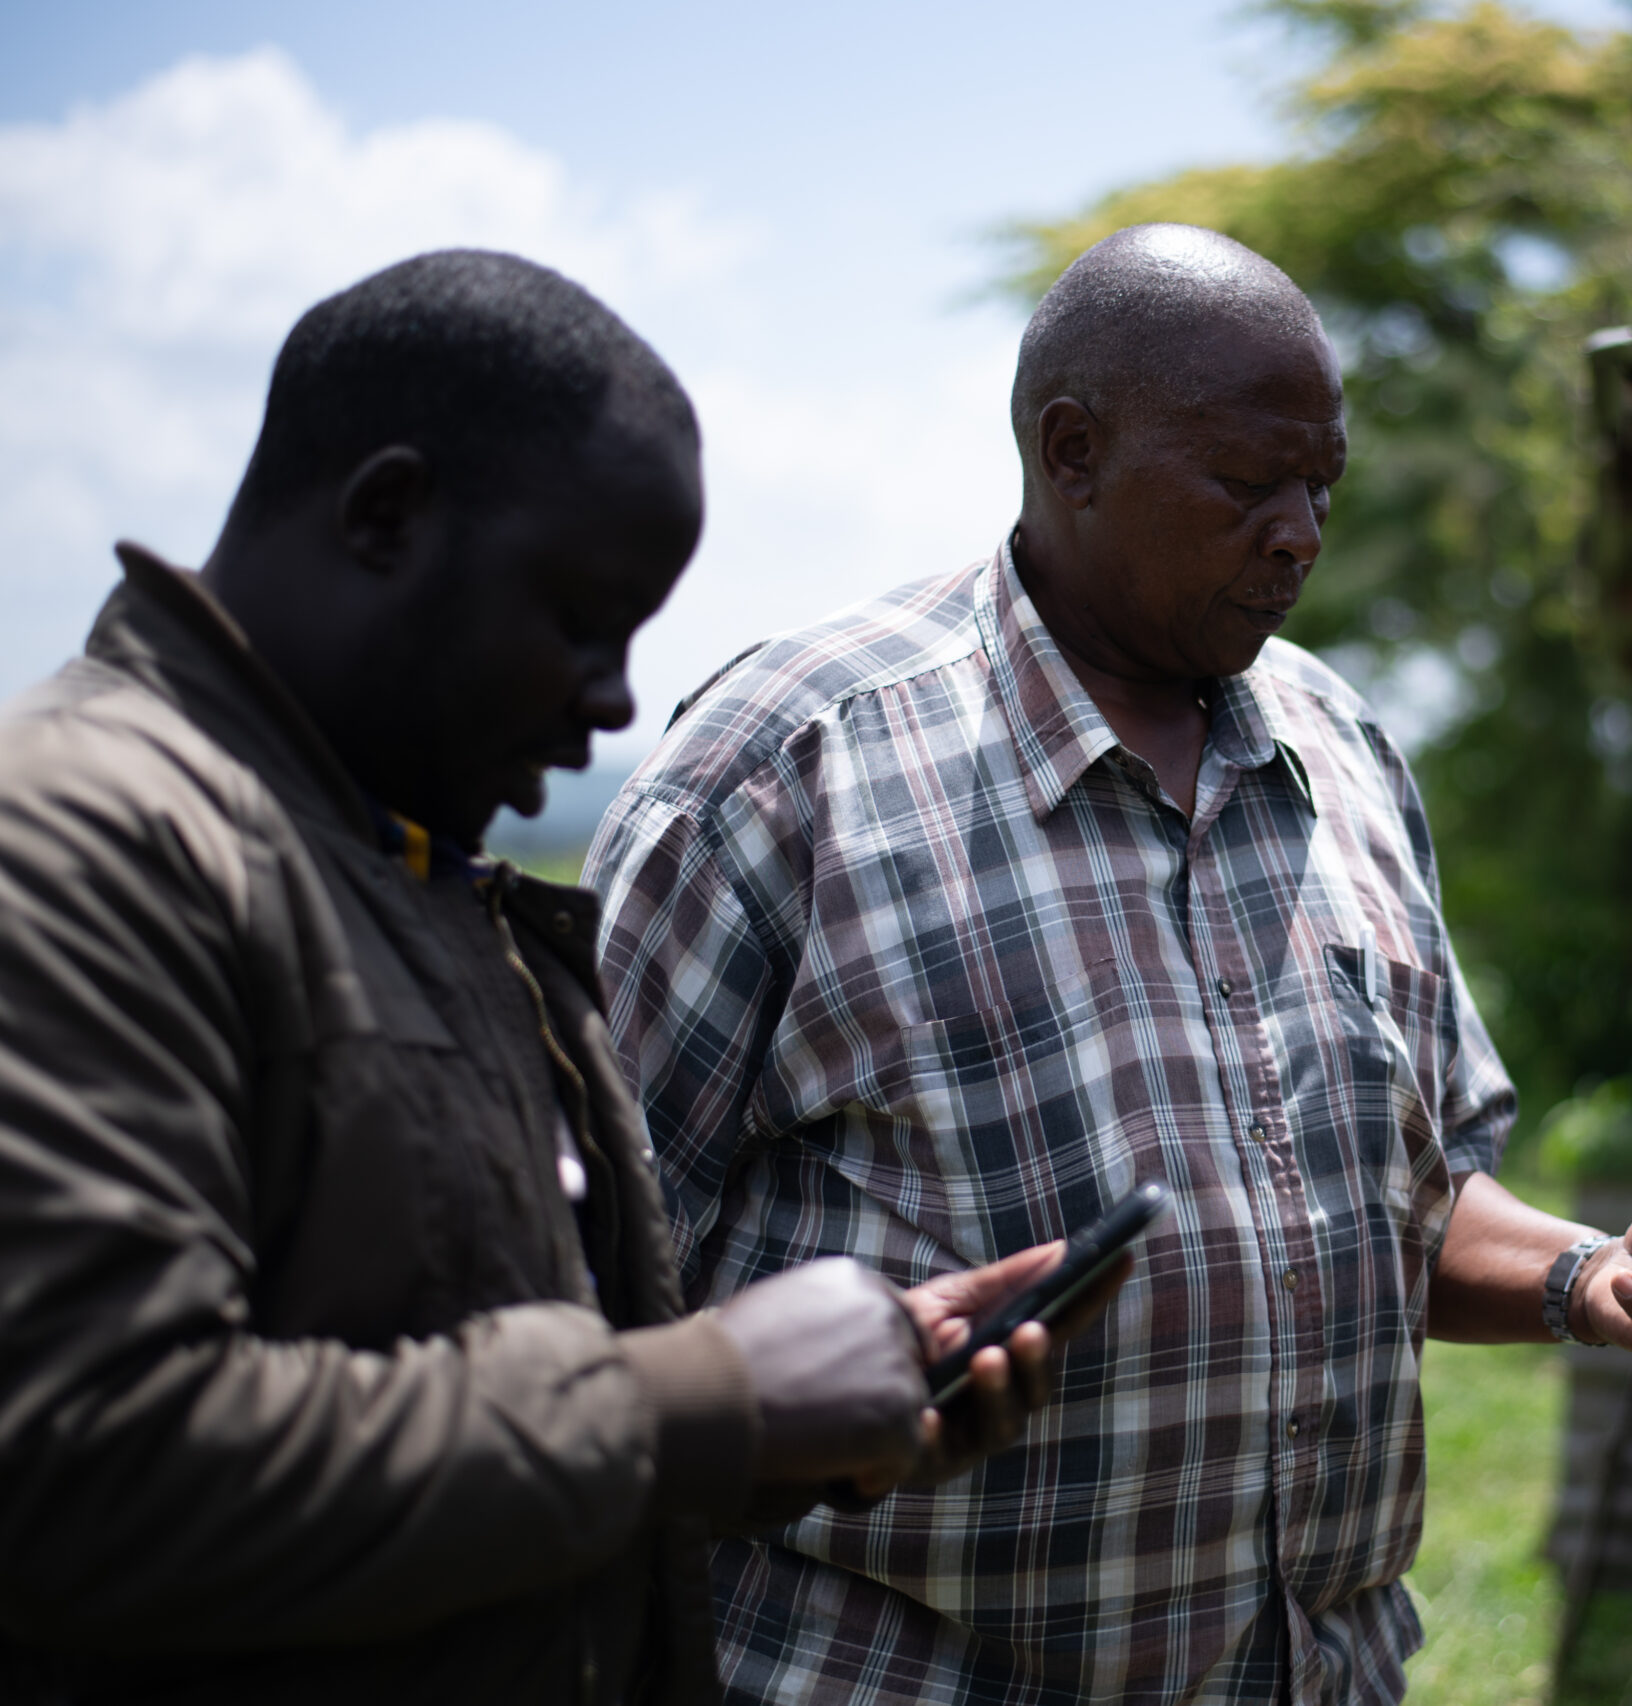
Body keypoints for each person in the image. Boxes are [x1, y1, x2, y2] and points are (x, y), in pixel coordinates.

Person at [587, 224, 1632, 1706]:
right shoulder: (788, 772)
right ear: (1071, 450)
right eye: (1245, 483)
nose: (1301, 533)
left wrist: (1594, 1275)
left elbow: (1402, 1197)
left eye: (1321, 486)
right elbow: (588, 1303)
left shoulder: (1335, 750)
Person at [0, 250, 1107, 1706]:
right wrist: (704, 1399)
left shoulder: (406, 859)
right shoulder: (80, 838)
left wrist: (789, 1437)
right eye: (582, 619)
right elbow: (85, 1467)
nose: (616, 701)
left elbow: (460, 1433)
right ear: (385, 514)